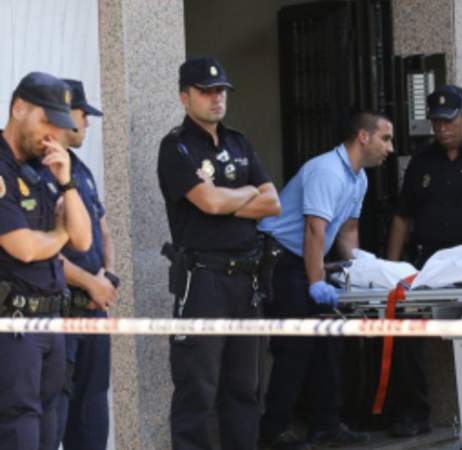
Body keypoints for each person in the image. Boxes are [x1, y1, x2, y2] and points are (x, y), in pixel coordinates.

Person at [157, 56, 281, 450]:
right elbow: (208, 204)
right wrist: (246, 193)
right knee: (197, 388)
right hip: (204, 280)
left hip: (247, 279)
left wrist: (227, 198)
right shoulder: (176, 147)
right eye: (207, 91)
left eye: (221, 91)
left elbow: (273, 203)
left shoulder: (238, 142)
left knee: (244, 388)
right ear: (185, 97)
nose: (217, 98)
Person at [258, 111, 394, 450]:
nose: (390, 148)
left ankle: (326, 426)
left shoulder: (359, 179)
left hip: (308, 259)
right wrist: (316, 282)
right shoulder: (327, 171)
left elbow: (347, 233)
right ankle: (273, 431)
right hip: (281, 259)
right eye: (386, 139)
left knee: (330, 341)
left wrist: (360, 271)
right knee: (296, 344)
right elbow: (313, 229)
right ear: (363, 136)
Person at [385, 84, 462, 437]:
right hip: (431, 264)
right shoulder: (421, 162)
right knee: (404, 328)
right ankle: (413, 411)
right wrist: (392, 268)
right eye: (436, 122)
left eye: (449, 121)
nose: (442, 129)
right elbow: (403, 216)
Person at [0, 72, 92, 450]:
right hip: (15, 324)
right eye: (45, 121)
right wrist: (59, 234)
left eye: (58, 125)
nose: (52, 134)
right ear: (19, 108)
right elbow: (22, 247)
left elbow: (83, 239)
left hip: (51, 320)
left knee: (49, 429)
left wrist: (67, 182)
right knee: (18, 429)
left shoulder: (45, 165)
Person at [45, 79, 116, 450]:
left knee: (91, 420)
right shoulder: (39, 172)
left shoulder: (81, 170)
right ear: (61, 114)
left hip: (94, 313)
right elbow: (42, 250)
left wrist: (108, 277)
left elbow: (104, 230)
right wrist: (91, 283)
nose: (87, 122)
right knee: (52, 419)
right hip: (61, 314)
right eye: (82, 114)